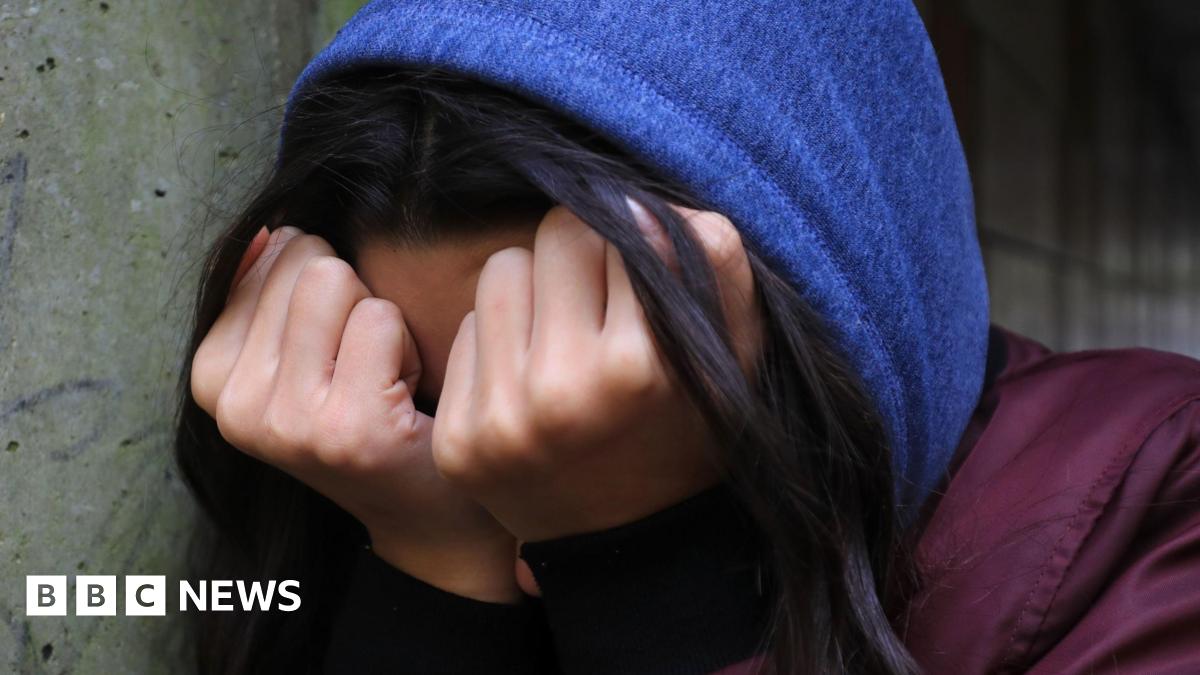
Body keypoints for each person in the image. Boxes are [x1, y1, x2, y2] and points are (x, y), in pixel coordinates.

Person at [174, 1, 1200, 674]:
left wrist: (648, 569)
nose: (510, 444)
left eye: (629, 386)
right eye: (438, 399)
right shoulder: (386, 504)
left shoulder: (1158, 501)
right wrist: (430, 579)